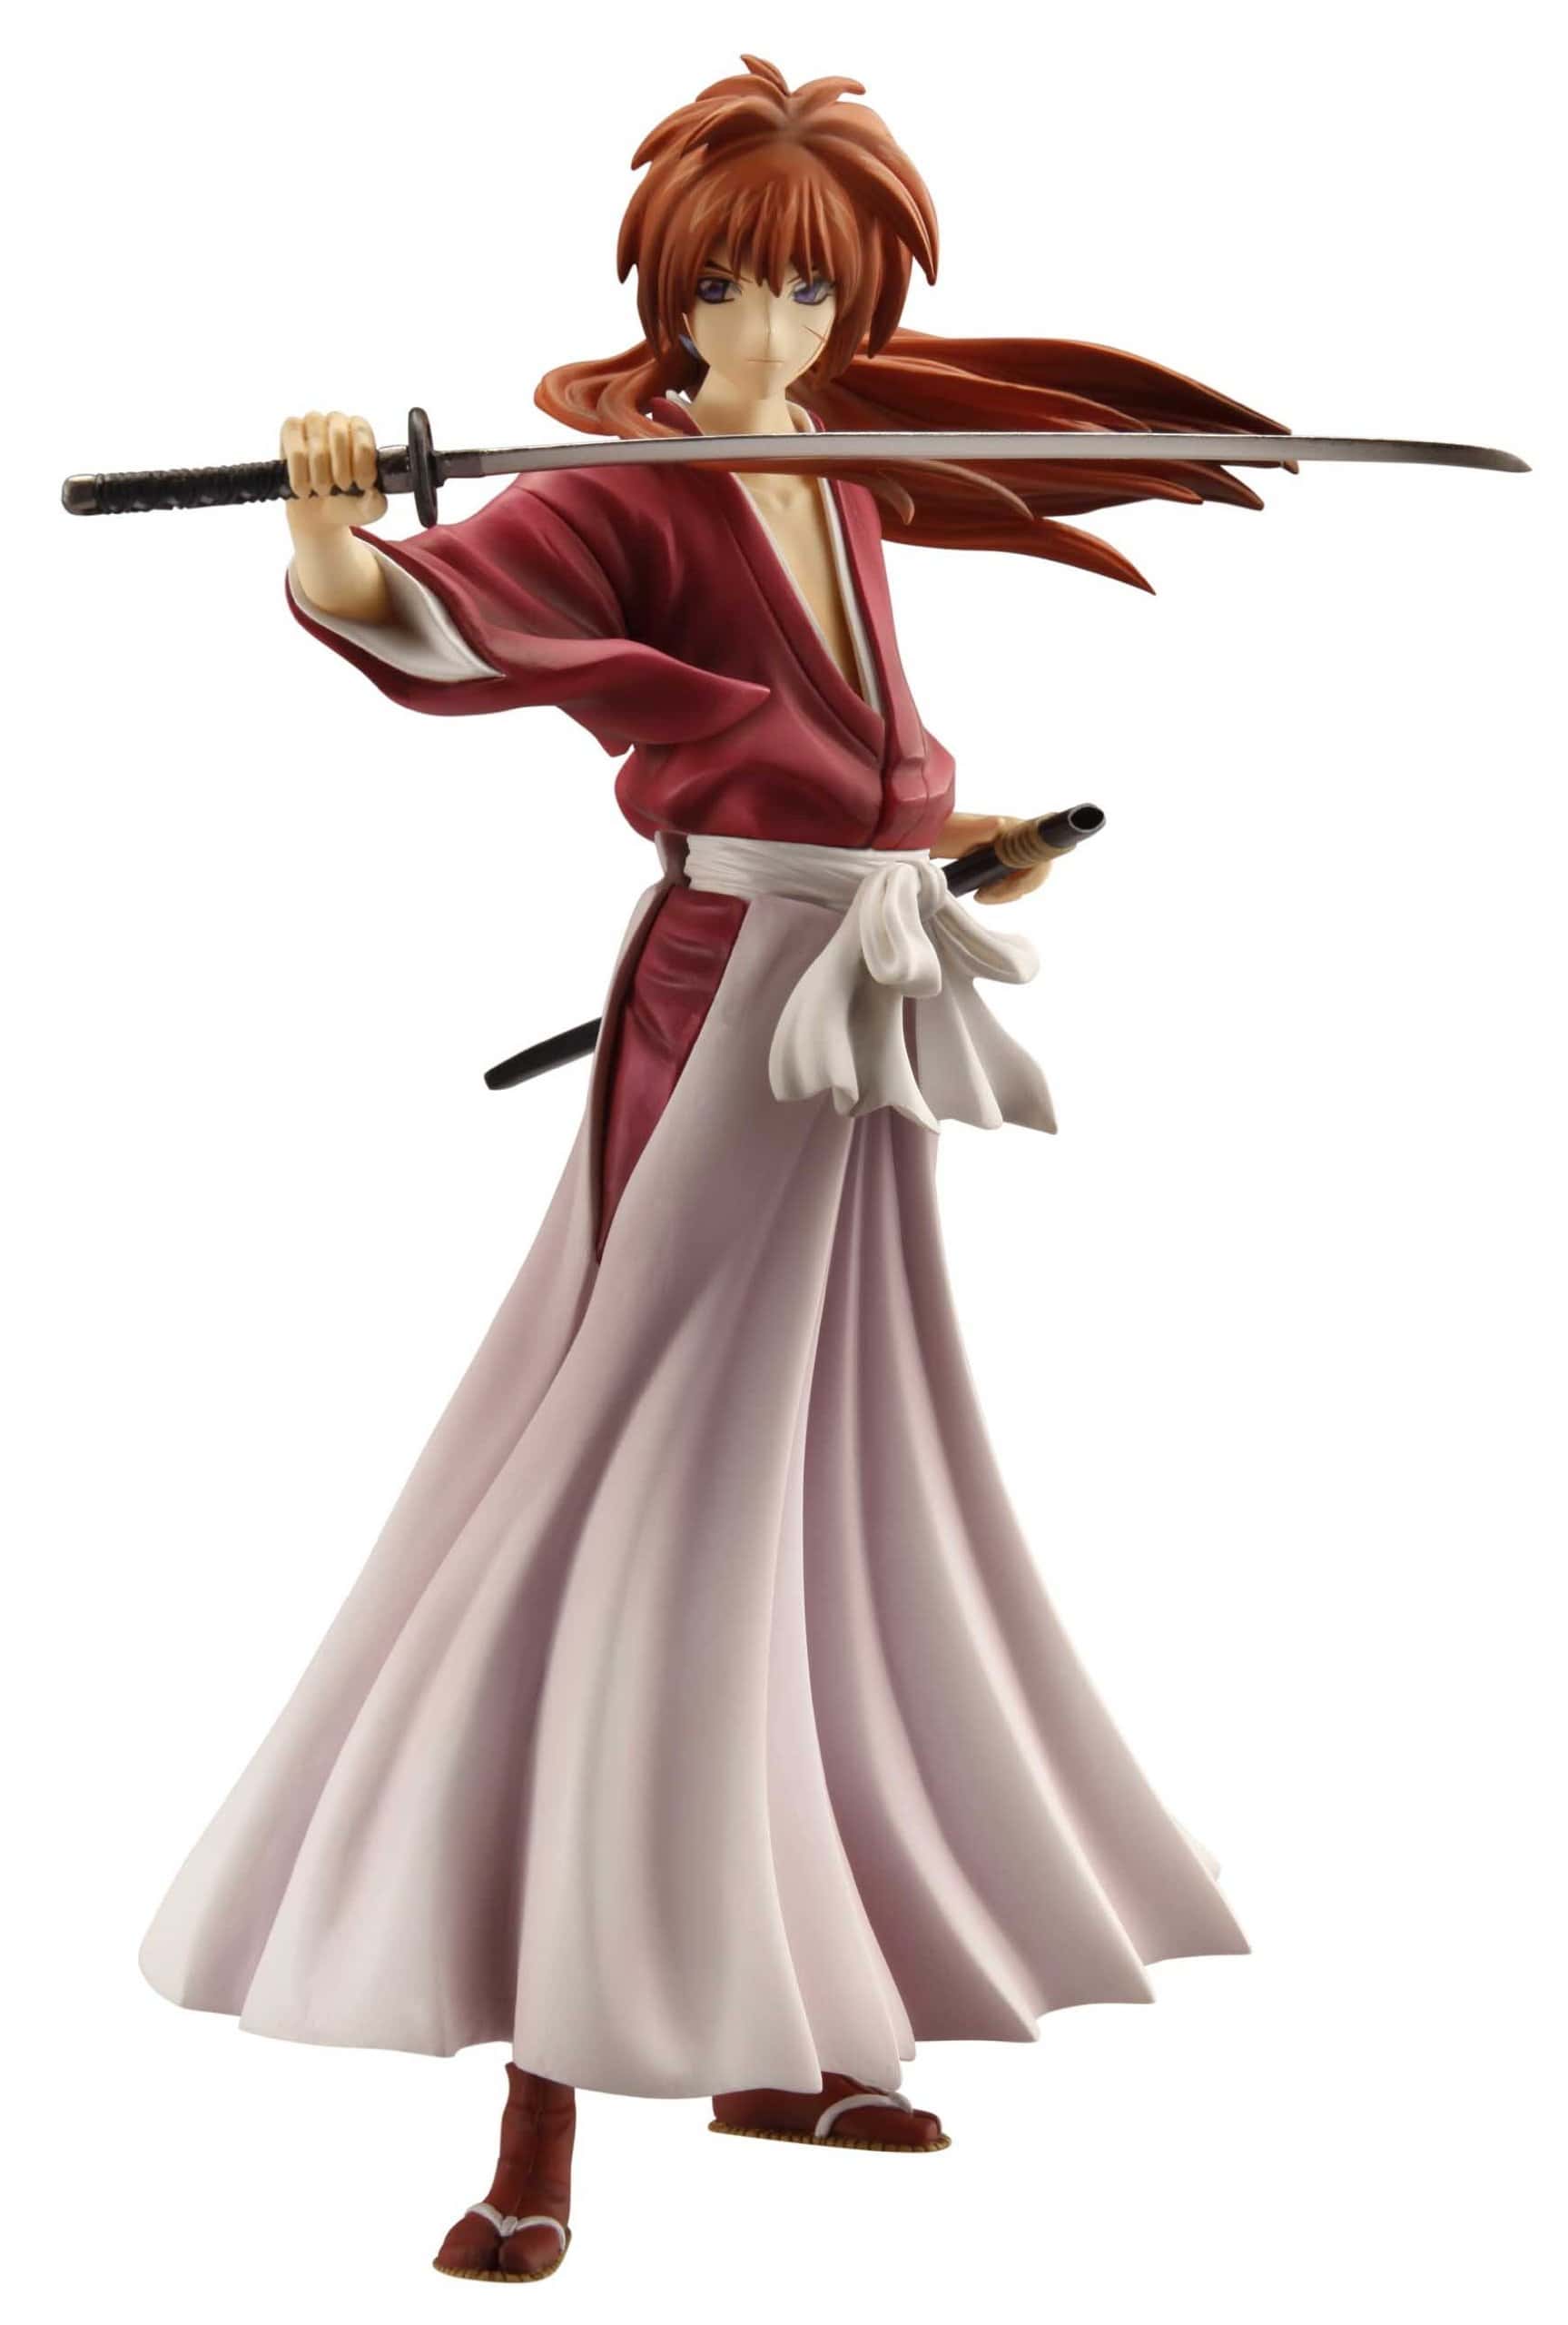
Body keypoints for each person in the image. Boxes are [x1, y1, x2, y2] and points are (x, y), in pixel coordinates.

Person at [139, 55, 1281, 2284]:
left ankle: (779, 2026)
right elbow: (440, 613)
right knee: (633, 1492)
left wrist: (942, 836)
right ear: (670, 298)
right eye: (734, 292)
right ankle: (537, 2117)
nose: (771, 334)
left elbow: (842, 761)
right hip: (730, 1011)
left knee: (818, 1490)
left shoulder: (831, 484)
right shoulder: (627, 488)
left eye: (810, 296)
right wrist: (328, 535)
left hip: (858, 1003)